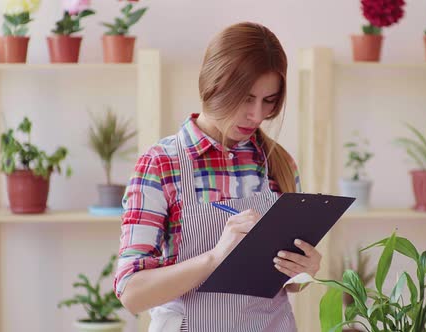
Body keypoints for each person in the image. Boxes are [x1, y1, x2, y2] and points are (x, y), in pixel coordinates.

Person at [113, 21, 322, 332]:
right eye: (246, 98)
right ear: (214, 84)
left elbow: (288, 284)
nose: (257, 115)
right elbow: (132, 293)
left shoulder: (279, 163)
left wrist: (305, 269)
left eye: (268, 101)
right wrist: (215, 257)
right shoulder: (160, 164)